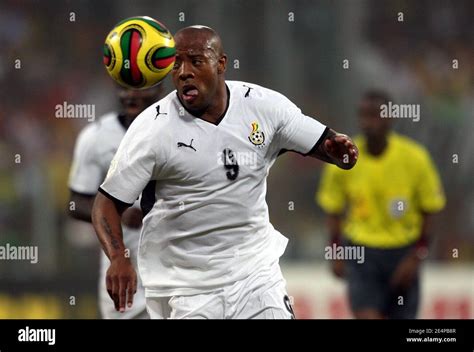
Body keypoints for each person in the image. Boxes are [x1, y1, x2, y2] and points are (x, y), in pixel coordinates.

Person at [91, 25, 358, 319]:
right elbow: (106, 204)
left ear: (221, 63)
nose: (183, 72)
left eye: (195, 60)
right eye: (176, 63)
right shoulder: (151, 130)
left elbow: (325, 142)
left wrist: (339, 153)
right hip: (186, 287)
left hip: (255, 274)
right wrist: (118, 256)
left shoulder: (264, 107)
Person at [317, 90, 446, 319]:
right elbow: (333, 208)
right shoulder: (344, 155)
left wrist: (417, 256)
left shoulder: (415, 158)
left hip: (403, 252)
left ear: (390, 117)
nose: (367, 123)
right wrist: (336, 252)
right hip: (362, 252)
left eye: (375, 115)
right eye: (363, 116)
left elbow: (431, 210)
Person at [68, 84, 164, 318]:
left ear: (159, 87)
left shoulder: (180, 129)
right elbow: (76, 202)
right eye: (124, 87)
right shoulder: (96, 137)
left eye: (140, 87)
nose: (131, 95)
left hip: (176, 265)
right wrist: (118, 213)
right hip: (124, 265)